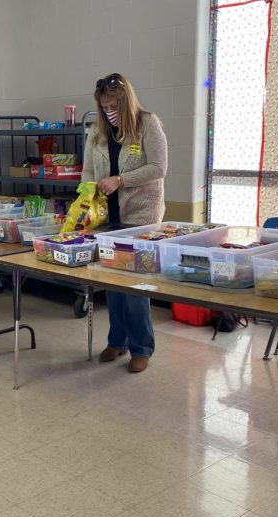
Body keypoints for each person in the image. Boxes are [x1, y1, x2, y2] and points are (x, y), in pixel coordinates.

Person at [82, 72, 168, 373]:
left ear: (126, 101)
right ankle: (116, 341)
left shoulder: (147, 123)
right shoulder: (97, 131)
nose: (109, 112)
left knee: (133, 287)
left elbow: (158, 167)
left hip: (141, 217)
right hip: (108, 217)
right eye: (104, 107)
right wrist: (86, 201)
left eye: (114, 106)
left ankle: (141, 348)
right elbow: (88, 171)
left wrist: (121, 180)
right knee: (112, 285)